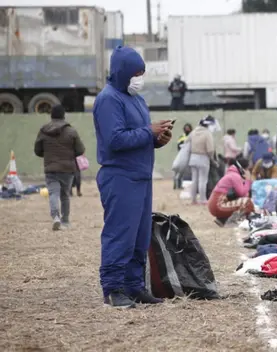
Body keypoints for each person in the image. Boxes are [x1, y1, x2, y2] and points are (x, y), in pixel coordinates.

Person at [93, 46, 173, 308]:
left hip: (140, 176)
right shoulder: (109, 99)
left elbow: (139, 137)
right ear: (122, 72)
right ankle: (113, 288)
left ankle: (134, 286)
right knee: (120, 234)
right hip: (120, 176)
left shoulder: (136, 99)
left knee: (140, 236)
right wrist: (148, 131)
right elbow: (115, 140)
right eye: (136, 72)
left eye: (142, 72)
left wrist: (158, 139)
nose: (140, 77)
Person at [34, 104, 85, 230]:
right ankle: (66, 221)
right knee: (65, 195)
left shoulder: (43, 130)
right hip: (67, 169)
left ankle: (55, 217)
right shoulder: (71, 131)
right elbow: (80, 150)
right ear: (63, 115)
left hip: (50, 168)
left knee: (53, 193)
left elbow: (37, 150)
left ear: (51, 115)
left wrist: (48, 155)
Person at [208, 158, 255, 227]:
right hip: (218, 205)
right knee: (247, 202)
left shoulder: (232, 174)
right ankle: (233, 221)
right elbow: (242, 193)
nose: (249, 172)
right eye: (248, 169)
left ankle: (222, 219)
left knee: (240, 200)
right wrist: (248, 181)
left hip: (216, 205)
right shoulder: (235, 176)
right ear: (242, 169)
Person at [188, 116, 217, 204]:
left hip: (193, 157)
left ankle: (193, 199)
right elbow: (210, 149)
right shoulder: (207, 133)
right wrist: (212, 158)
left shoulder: (193, 132)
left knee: (194, 180)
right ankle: (202, 199)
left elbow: (187, 144)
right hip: (203, 158)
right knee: (203, 180)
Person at [174, 123, 193, 190]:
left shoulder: (192, 136)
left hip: (191, 155)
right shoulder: (181, 137)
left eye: (188, 128)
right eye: (186, 128)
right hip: (182, 155)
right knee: (179, 169)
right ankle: (176, 185)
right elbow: (178, 146)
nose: (187, 129)